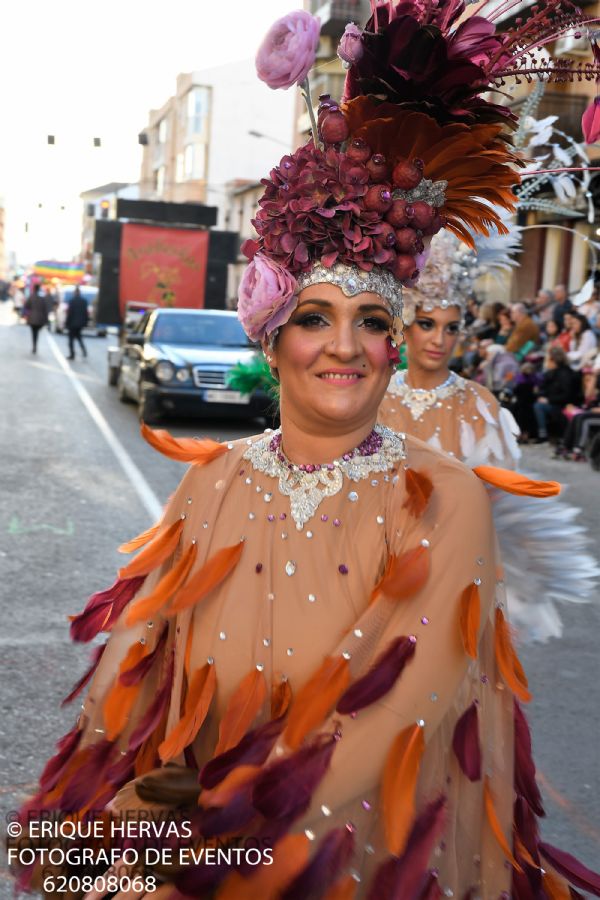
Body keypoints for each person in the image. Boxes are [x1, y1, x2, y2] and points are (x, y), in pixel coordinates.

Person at [12, 3, 600, 898]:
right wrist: (111, 841)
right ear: (272, 335)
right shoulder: (216, 486)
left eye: (372, 321)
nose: (345, 346)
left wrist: (208, 868)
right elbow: (153, 704)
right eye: (316, 318)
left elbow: (393, 722)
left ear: (393, 342)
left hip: (354, 864)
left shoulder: (445, 497)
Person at [533, 346, 576, 443]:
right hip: (553, 401)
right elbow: (544, 388)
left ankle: (542, 434)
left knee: (538, 406)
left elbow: (567, 395)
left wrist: (548, 400)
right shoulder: (551, 372)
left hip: (562, 404)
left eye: (548, 359)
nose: (546, 362)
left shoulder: (565, 374)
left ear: (554, 360)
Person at [23, 284, 48, 354]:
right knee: (36, 332)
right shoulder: (42, 298)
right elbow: (45, 310)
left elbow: (26, 306)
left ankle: (34, 345)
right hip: (40, 319)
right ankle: (35, 345)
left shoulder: (31, 297)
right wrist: (46, 320)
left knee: (34, 332)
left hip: (32, 318)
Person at [65, 286, 89, 359]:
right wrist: (85, 322)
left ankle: (72, 354)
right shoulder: (84, 301)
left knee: (71, 340)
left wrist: (67, 323)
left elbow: (70, 313)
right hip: (80, 324)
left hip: (72, 323)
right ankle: (83, 351)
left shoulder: (72, 301)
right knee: (79, 337)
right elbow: (85, 313)